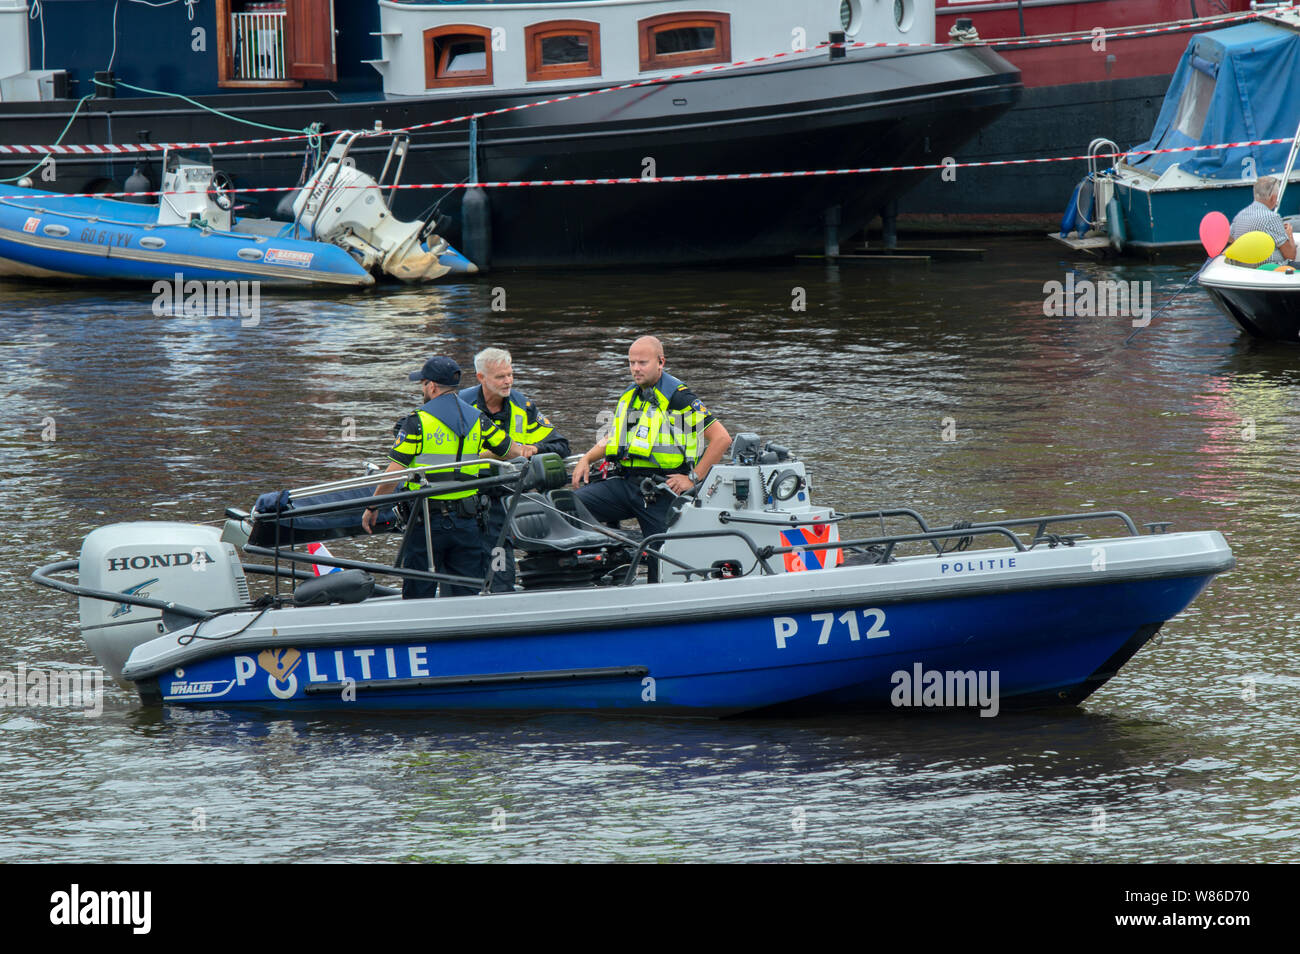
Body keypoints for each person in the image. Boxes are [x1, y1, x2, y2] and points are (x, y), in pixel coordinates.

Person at [571, 335, 731, 581]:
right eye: (632, 362)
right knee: (569, 506)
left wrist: (693, 478)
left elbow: (721, 438)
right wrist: (587, 459)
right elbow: (616, 438)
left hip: (660, 491)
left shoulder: (679, 397)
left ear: (661, 362)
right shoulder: (632, 395)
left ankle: (658, 597)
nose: (636, 368)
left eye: (642, 362)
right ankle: (614, 567)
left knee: (663, 561)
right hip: (626, 484)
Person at [362, 356, 521, 599]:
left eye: (423, 383)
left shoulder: (417, 421)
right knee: (465, 592)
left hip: (426, 520)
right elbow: (512, 451)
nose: (422, 388)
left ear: (432, 386)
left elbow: (393, 472)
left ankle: (420, 635)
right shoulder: (478, 419)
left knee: (419, 591)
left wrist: (373, 506)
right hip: (468, 521)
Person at [460, 346, 571, 591]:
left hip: (509, 499)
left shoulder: (523, 405)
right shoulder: (461, 406)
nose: (508, 381)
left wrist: (533, 448)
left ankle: (503, 597)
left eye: (510, 374)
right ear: (481, 378)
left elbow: (561, 445)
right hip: (469, 499)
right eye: (500, 376)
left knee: (502, 572)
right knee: (469, 569)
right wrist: (489, 455)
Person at [1229, 176, 1296, 265]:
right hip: (1271, 270)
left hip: (1244, 268)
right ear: (1273, 197)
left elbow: (1231, 239)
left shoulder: (1240, 215)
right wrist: (1289, 235)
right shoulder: (1272, 218)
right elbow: (1290, 256)